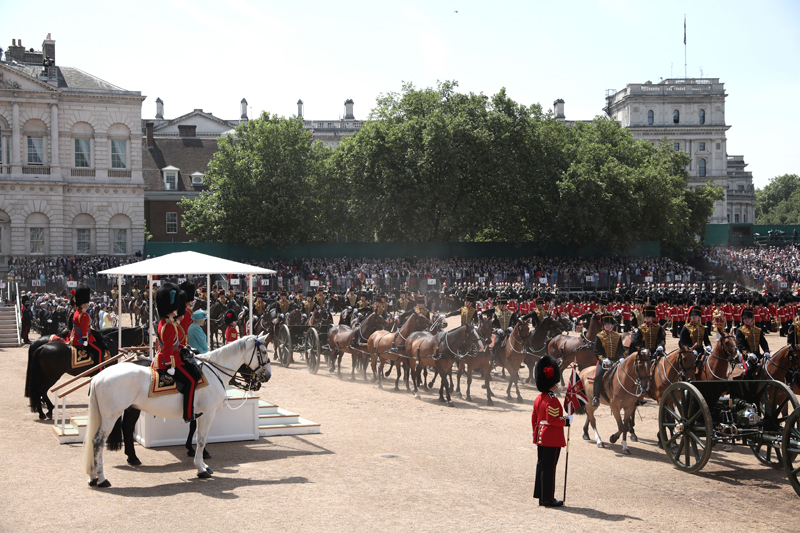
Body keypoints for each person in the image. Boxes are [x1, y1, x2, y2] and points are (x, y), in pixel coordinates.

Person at [153, 283, 201, 422]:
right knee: (192, 381)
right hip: (170, 360)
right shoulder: (168, 324)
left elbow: (172, 342)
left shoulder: (166, 321)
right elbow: (167, 346)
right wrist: (169, 366)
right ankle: (188, 414)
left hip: (172, 356)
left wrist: (183, 346)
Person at [532, 354, 569, 508]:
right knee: (549, 469)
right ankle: (548, 499)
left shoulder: (540, 398)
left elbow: (534, 418)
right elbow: (553, 420)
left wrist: (536, 433)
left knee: (542, 466)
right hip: (551, 437)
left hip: (541, 435)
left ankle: (541, 496)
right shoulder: (552, 399)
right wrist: (567, 421)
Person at [592, 313, 625, 407]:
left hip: (615, 361)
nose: (608, 326)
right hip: (603, 362)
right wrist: (604, 359)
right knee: (598, 376)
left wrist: (622, 357)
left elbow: (621, 349)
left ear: (613, 325)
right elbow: (596, 351)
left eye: (610, 324)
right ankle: (596, 397)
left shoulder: (618, 336)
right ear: (604, 326)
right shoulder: (599, 336)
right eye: (606, 325)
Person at [736, 307, 770, 378]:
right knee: (749, 370)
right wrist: (748, 354)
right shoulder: (740, 330)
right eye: (745, 319)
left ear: (752, 319)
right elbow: (740, 345)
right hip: (746, 357)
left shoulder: (758, 330)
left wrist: (766, 351)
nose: (746, 320)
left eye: (748, 318)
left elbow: (763, 342)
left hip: (757, 355)